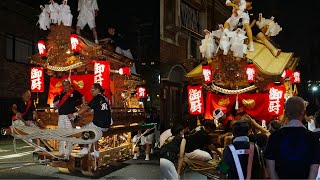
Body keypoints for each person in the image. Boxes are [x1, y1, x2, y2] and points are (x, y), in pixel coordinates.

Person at [264, 96, 320, 179]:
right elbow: (314, 169)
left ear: (285, 113)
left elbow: (270, 168)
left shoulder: (274, 137)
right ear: (304, 113)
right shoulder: (313, 137)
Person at [68, 83, 112, 157]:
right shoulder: (105, 98)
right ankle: (96, 151)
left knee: (85, 128)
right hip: (107, 124)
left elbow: (86, 108)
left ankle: (85, 148)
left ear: (97, 90)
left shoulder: (97, 98)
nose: (91, 91)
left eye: (92, 90)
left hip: (100, 123)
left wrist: (75, 114)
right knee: (94, 131)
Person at [53, 79, 85, 158]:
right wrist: (56, 104)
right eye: (63, 85)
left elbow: (83, 96)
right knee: (61, 134)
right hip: (61, 116)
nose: (65, 87)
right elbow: (55, 103)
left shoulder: (74, 92)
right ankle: (61, 152)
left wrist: (83, 105)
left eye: (66, 85)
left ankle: (67, 152)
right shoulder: (61, 93)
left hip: (69, 116)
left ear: (70, 84)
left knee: (69, 134)